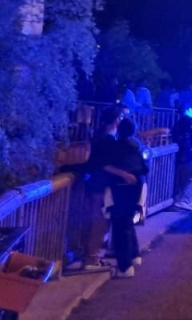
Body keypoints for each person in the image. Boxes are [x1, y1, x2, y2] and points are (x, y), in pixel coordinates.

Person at [68, 106, 121, 271]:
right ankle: (92, 258)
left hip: (93, 183)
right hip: (101, 185)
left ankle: (88, 255)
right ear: (116, 120)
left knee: (92, 220)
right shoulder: (109, 140)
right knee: (99, 222)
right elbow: (106, 164)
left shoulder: (97, 137)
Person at [104, 118, 149, 278]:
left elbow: (106, 165)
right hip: (137, 188)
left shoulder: (116, 148)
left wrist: (122, 174)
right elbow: (145, 168)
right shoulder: (137, 147)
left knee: (119, 226)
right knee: (128, 223)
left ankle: (125, 267)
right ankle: (135, 255)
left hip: (120, 189)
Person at [170, 107, 192, 211]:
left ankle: (185, 200)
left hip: (180, 156)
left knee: (183, 178)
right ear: (189, 110)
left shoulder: (177, 123)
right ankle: (184, 200)